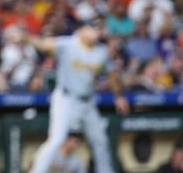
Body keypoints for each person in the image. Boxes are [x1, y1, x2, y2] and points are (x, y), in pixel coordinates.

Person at [27, 16, 129, 173]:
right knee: (56, 140)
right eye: (92, 28)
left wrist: (119, 96)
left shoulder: (101, 52)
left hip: (88, 102)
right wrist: (25, 37)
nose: (96, 32)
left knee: (100, 141)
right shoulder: (69, 43)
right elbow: (43, 44)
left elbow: (112, 76)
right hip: (65, 98)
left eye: (98, 29)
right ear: (81, 30)